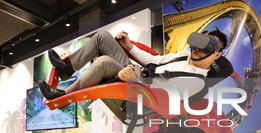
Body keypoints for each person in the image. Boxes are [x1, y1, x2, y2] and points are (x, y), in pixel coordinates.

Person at [39, 28, 227, 101]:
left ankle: (62, 99)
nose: (196, 50)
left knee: (104, 62)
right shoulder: (183, 56)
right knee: (102, 36)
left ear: (217, 55)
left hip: (142, 87)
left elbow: (163, 99)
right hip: (138, 71)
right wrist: (128, 45)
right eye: (197, 44)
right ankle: (67, 69)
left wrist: (135, 82)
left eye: (204, 49)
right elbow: (153, 60)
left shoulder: (197, 82)